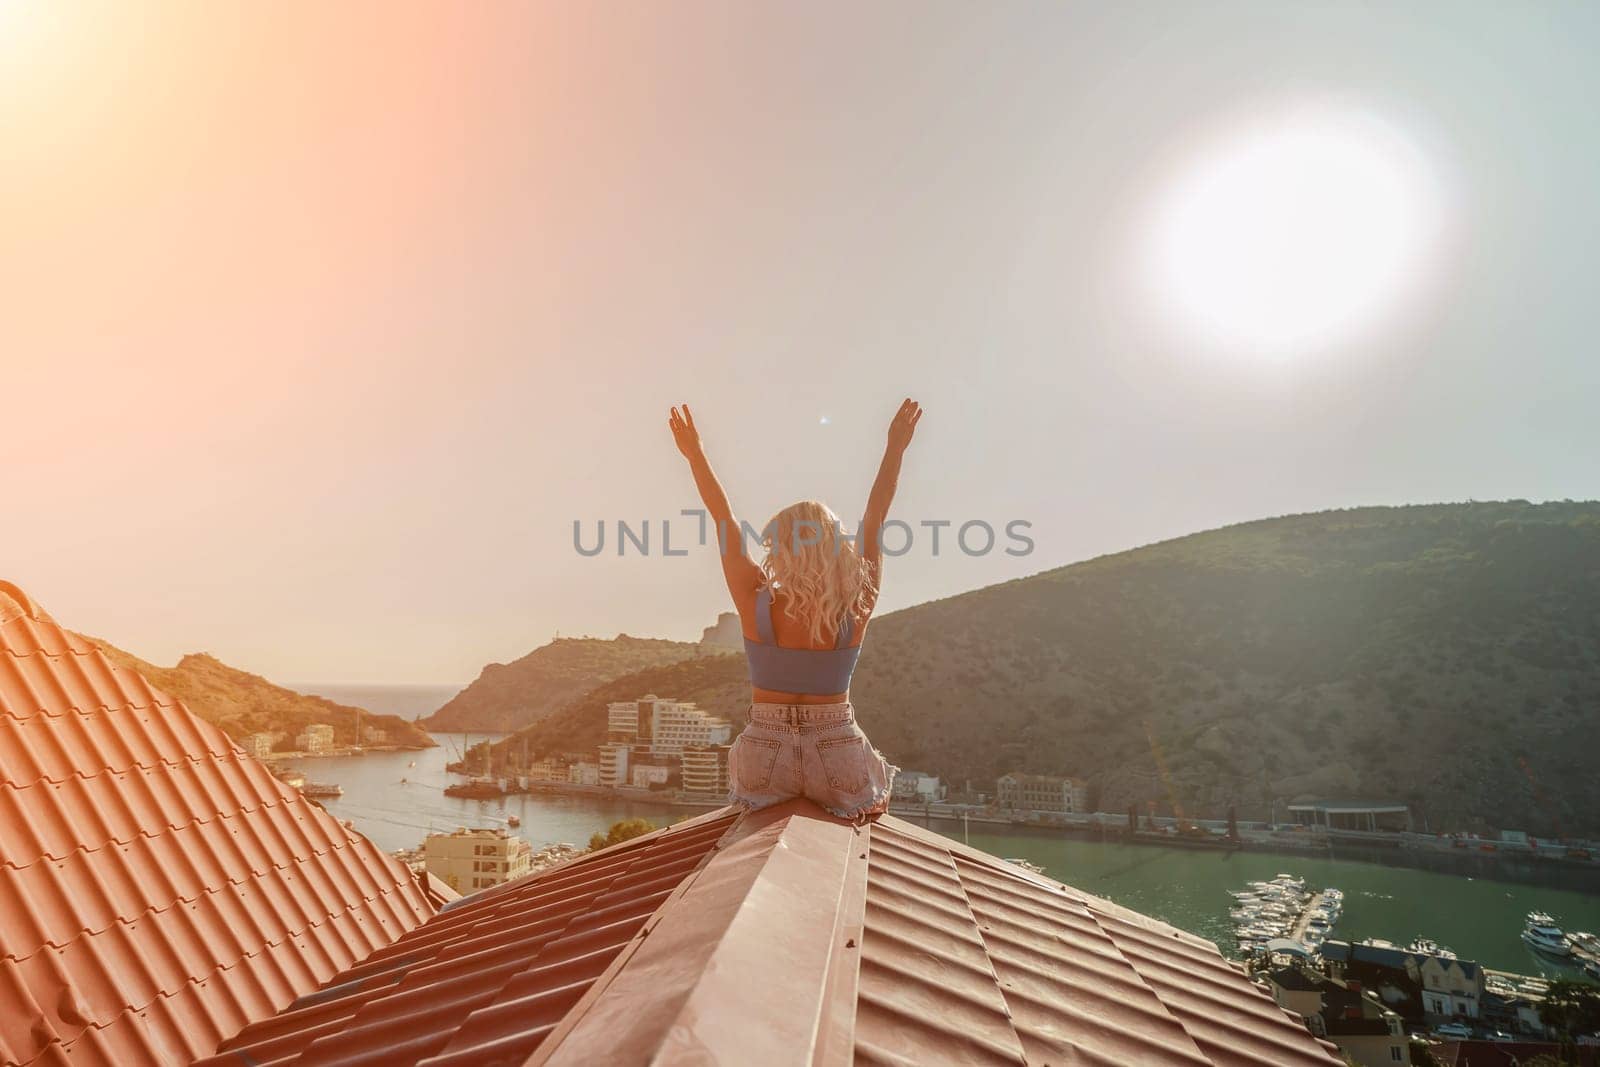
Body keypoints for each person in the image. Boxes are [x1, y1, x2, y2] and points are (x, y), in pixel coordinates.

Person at [668, 398, 923, 821]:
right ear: (833, 545)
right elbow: (876, 515)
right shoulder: (857, 600)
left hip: (763, 752)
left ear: (780, 548)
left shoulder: (755, 599)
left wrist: (695, 453)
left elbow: (723, 517)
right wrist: (896, 448)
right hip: (837, 748)